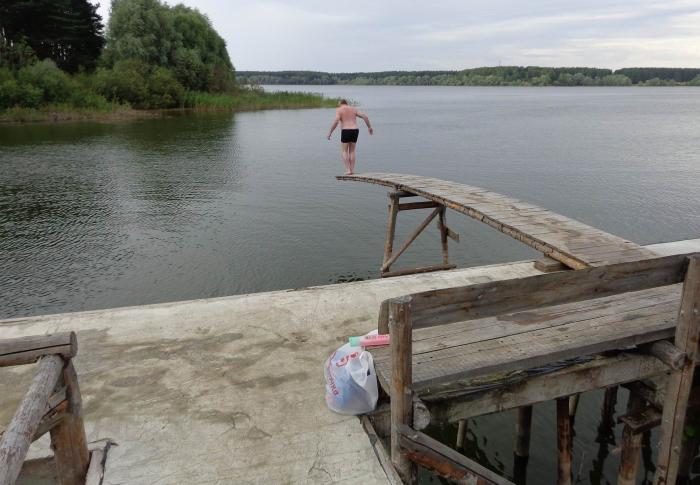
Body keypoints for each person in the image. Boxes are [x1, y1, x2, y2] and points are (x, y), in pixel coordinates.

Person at [326, 99, 373, 175]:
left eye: (338, 104)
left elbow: (336, 121)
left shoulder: (339, 109)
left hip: (346, 130)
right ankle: (352, 169)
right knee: (352, 151)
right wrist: (369, 127)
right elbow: (365, 116)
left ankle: (348, 170)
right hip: (355, 130)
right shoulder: (353, 109)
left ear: (340, 103)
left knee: (344, 151)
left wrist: (330, 132)